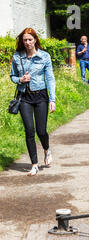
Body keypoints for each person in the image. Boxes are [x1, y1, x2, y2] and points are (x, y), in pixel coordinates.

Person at [10, 27, 56, 176]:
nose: (28, 42)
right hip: (24, 97)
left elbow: (50, 79)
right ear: (22, 42)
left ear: (35, 40)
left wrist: (52, 99)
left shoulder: (44, 57)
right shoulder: (17, 57)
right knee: (29, 130)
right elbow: (13, 76)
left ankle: (47, 150)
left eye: (30, 39)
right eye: (25, 40)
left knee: (41, 130)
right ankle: (34, 164)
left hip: (41, 96)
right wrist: (20, 79)